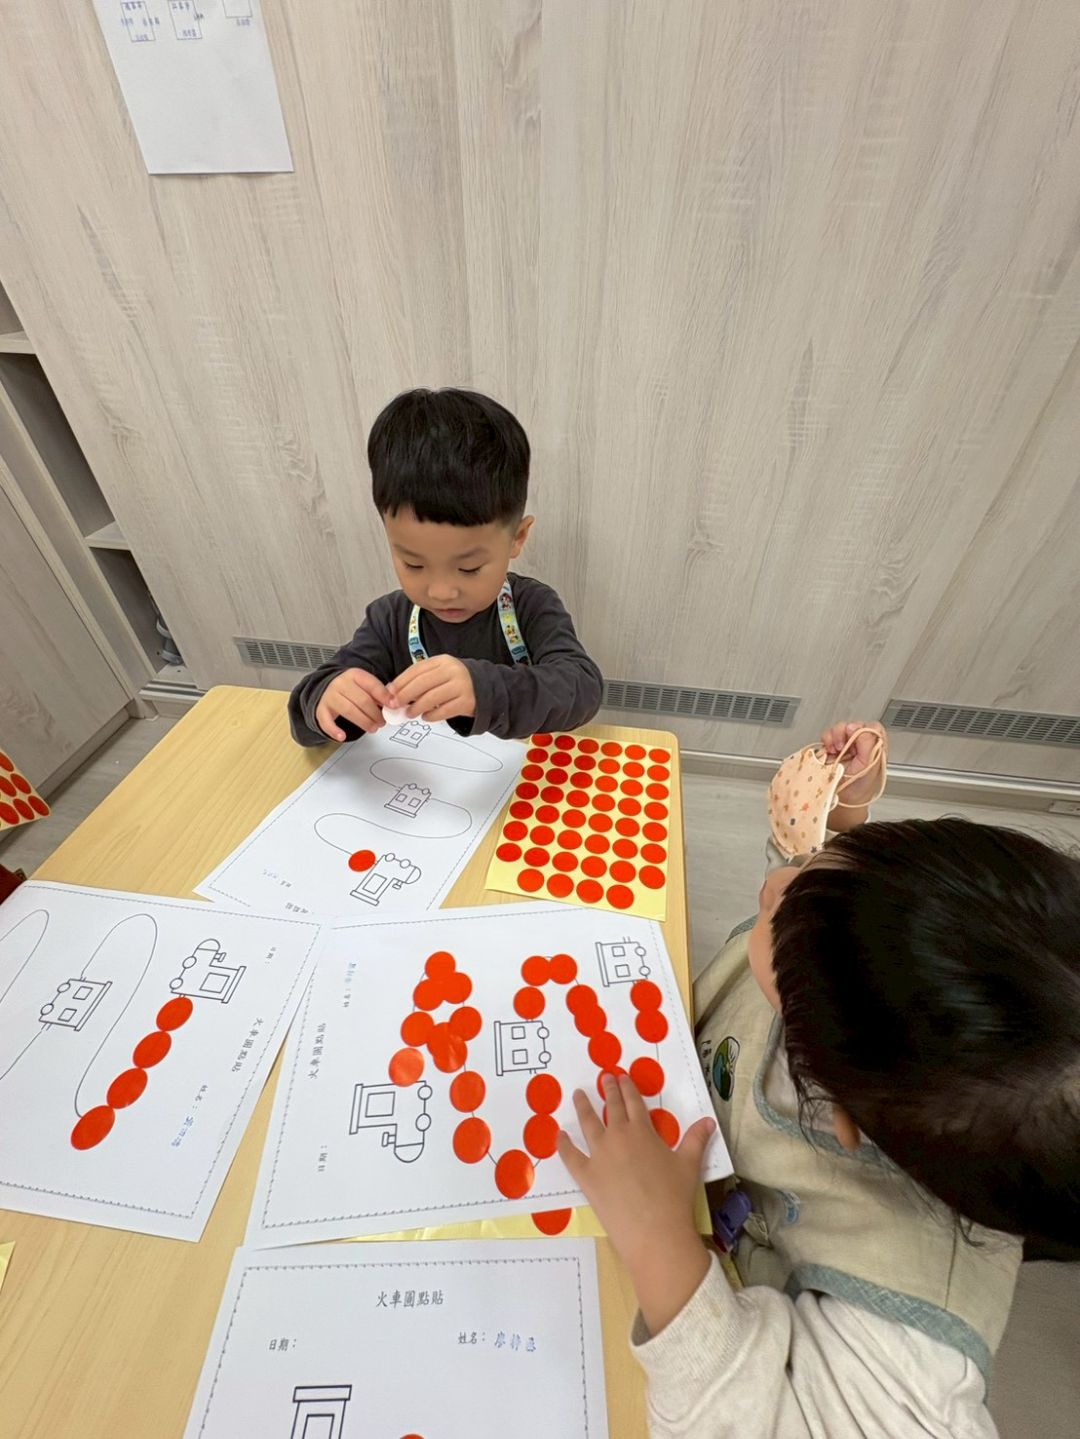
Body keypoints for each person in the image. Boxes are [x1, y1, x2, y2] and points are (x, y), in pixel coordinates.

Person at [558, 721, 1080, 1437]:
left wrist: (661, 1245)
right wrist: (840, 822)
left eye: (787, 918)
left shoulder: (910, 1347)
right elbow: (841, 929)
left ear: (841, 1115)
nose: (778, 879)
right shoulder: (896, 1025)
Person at [289, 388, 602, 745]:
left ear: (517, 537)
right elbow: (308, 713)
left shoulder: (531, 606)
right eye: (413, 564)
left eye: (469, 568)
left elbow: (583, 688)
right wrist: (327, 698)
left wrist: (483, 690)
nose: (440, 592)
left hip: (524, 774)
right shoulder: (389, 620)